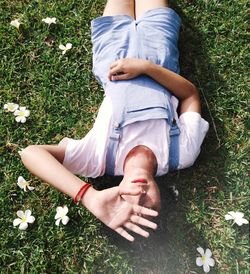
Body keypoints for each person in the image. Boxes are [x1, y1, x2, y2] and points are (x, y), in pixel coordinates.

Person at [20, 0, 209, 242]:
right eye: (149, 206)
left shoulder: (97, 160)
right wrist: (147, 67)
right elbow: (190, 94)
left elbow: (30, 153)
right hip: (160, 52)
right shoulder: (182, 154)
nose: (138, 194)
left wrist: (89, 196)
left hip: (113, 53)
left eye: (128, 201)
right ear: (163, 200)